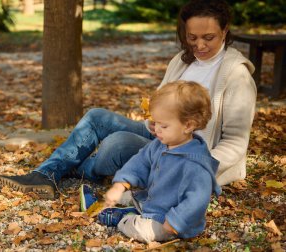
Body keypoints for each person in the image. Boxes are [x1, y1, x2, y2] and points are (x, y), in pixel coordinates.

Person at [0, 0, 256, 199]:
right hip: (160, 135)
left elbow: (234, 142)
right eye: (191, 37)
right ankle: (45, 175)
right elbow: (164, 103)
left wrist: (196, 168)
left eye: (208, 37)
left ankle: (68, 167)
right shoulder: (182, 60)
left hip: (185, 154)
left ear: (225, 31)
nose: (199, 45)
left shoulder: (236, 75)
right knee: (96, 116)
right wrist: (155, 120)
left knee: (115, 145)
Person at [80, 80, 221, 243]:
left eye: (164, 126)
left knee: (141, 230)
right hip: (151, 200)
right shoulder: (160, 144)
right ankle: (106, 200)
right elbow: (140, 162)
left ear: (188, 126)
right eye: (156, 123)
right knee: (126, 195)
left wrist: (175, 222)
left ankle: (122, 218)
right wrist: (120, 185)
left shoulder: (196, 165)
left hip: (169, 222)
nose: (157, 130)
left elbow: (196, 200)